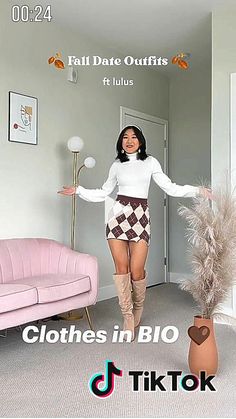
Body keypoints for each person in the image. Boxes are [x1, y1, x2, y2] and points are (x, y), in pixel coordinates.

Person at [58, 126, 213, 341]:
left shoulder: (150, 162)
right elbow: (104, 192)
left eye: (133, 137)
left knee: (136, 270)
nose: (129, 140)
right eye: (125, 137)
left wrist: (197, 190)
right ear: (120, 142)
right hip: (117, 217)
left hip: (140, 217)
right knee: (121, 268)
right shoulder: (116, 165)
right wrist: (79, 190)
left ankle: (138, 307)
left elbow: (170, 187)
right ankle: (127, 316)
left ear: (140, 141)